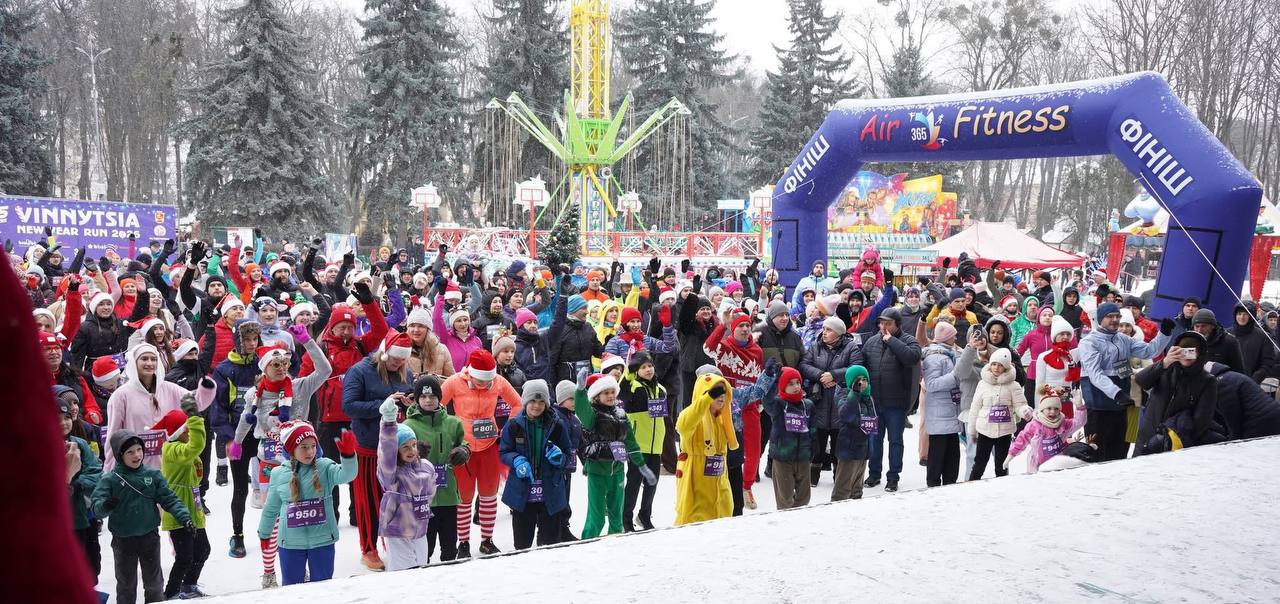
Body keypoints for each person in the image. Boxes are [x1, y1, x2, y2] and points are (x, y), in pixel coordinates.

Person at [341, 330, 416, 570]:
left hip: (397, 447)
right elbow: (349, 406)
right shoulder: (360, 371)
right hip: (369, 446)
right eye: (395, 360)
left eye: (403, 360)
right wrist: (383, 405)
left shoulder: (406, 371)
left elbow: (407, 398)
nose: (399, 364)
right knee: (369, 502)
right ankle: (368, 548)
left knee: (397, 499)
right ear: (384, 354)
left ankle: (397, 543)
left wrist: (409, 402)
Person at [93, 430, 195, 604]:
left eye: (139, 449)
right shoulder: (110, 480)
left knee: (154, 584)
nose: (137, 455)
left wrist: (184, 517)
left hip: (149, 538)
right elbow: (97, 507)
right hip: (123, 541)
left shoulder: (152, 475)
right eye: (130, 452)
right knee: (126, 585)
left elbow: (169, 498)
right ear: (120, 455)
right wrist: (105, 505)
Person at [441, 349, 522, 557]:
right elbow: (437, 408)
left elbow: (517, 404)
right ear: (470, 373)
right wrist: (449, 431)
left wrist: (507, 430)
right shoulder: (454, 382)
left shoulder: (499, 381)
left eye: (488, 381)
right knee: (464, 498)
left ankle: (487, 540)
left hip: (489, 447)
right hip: (463, 449)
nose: (485, 385)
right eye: (480, 381)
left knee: (488, 496)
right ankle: (464, 543)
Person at [258, 422, 359, 586]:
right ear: (291, 449)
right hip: (290, 544)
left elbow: (347, 475)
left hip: (323, 540)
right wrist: (264, 534)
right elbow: (271, 509)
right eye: (304, 447)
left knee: (323, 586)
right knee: (292, 587)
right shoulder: (278, 474)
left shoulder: (325, 467)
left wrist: (348, 457)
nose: (310, 451)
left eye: (313, 446)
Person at [1079, 302, 1172, 461]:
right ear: (1101, 319)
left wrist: (1164, 333)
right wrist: (1117, 393)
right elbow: (1095, 374)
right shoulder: (1089, 342)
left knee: (1119, 450)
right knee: (1097, 451)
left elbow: (1149, 351)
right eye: (1110, 316)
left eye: (1117, 316)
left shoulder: (1123, 339)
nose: (1115, 320)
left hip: (1121, 405)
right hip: (1098, 405)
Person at [401, 374, 470, 563]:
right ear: (416, 399)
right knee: (425, 547)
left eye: (432, 396)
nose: (428, 401)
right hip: (423, 497)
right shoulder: (408, 426)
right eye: (423, 397)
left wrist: (463, 450)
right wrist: (414, 453)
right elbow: (397, 457)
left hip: (447, 494)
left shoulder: (453, 423)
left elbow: (463, 442)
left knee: (449, 545)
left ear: (440, 398)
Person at [575, 372, 653, 536]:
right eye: (606, 393)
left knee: (616, 516)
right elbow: (582, 411)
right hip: (597, 472)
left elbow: (631, 442)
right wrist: (581, 391)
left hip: (617, 471)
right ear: (597, 396)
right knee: (597, 518)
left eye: (612, 392)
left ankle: (616, 545)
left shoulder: (621, 414)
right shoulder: (593, 415)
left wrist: (641, 465)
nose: (610, 396)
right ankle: (587, 545)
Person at [499, 380, 572, 549]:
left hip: (550, 492)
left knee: (549, 546)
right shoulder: (513, 425)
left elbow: (568, 455)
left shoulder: (557, 425)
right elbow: (504, 452)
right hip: (523, 492)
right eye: (532, 401)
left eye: (541, 402)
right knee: (522, 545)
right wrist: (516, 460)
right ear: (525, 401)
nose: (536, 406)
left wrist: (559, 458)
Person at [702, 311, 764, 508]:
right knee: (729, 446)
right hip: (727, 404)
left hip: (750, 405)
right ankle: (725, 484)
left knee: (754, 449)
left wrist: (759, 400)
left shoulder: (757, 351)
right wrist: (723, 325)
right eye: (740, 326)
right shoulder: (724, 347)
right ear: (733, 329)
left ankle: (747, 486)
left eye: (748, 326)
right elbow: (707, 348)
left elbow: (759, 376)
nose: (745, 329)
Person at [860, 308, 921, 492]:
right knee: (875, 440)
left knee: (895, 441)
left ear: (897, 325)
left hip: (896, 402)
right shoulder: (871, 342)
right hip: (875, 401)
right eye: (881, 323)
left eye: (888, 323)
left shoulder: (908, 340)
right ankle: (874, 474)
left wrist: (892, 341)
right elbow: (862, 363)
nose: (883, 327)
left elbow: (913, 357)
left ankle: (893, 476)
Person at [152, 408, 210, 599]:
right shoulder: (171, 449)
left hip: (194, 507)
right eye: (188, 430)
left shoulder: (183, 446)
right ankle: (170, 593)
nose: (190, 434)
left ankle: (189, 586)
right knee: (185, 556)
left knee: (202, 550)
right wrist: (196, 421)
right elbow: (195, 447)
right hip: (178, 510)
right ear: (180, 431)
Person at [375, 395, 437, 571]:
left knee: (421, 568)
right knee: (403, 573)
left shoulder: (425, 467)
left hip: (420, 529)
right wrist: (388, 421)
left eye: (414, 445)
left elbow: (431, 492)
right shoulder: (391, 473)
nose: (411, 450)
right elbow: (387, 449)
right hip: (398, 531)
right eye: (405, 447)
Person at [1133, 331, 1220, 455]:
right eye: (1182, 351)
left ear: (1200, 354)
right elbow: (1141, 380)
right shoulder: (1166, 369)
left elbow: (1202, 420)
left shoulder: (1207, 381)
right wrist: (1164, 362)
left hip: (1176, 442)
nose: (1186, 356)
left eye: (1191, 351)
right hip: (1148, 436)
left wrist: (1174, 438)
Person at [799, 315, 860, 487]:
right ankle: (813, 476)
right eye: (824, 329)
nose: (824, 333)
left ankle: (838, 478)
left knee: (838, 446)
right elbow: (804, 365)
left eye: (828, 330)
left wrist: (834, 375)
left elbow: (856, 368)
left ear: (839, 333)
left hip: (840, 403)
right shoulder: (815, 347)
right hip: (819, 402)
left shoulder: (851, 348)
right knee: (816, 444)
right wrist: (820, 376)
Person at [673, 372, 737, 525]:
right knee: (695, 519)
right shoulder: (693, 418)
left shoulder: (722, 420)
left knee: (723, 515)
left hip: (719, 478)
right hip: (696, 478)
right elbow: (682, 425)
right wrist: (707, 398)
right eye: (716, 392)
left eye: (723, 392)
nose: (721, 396)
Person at [619, 351, 668, 531]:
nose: (648, 369)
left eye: (650, 366)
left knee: (652, 482)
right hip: (638, 444)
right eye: (643, 367)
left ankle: (645, 515)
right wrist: (629, 372)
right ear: (636, 370)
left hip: (656, 444)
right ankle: (626, 518)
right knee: (633, 483)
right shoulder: (632, 386)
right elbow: (621, 393)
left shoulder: (661, 389)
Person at [966, 348, 1032, 480]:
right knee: (979, 462)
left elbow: (1020, 404)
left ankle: (1003, 488)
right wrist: (972, 430)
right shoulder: (982, 384)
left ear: (1006, 367)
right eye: (994, 364)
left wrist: (1024, 410)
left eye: (1001, 365)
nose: (996, 367)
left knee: (1002, 464)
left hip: (1005, 431)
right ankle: (971, 486)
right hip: (985, 429)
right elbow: (975, 407)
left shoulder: (1014, 385)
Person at [59, 390, 103, 584]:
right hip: (60, 521)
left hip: (84, 516)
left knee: (91, 564)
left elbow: (95, 472)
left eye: (67, 417)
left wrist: (77, 484)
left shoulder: (80, 444)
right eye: (57, 418)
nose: (64, 423)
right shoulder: (41, 447)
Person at [762, 363, 815, 508]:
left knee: (804, 498)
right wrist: (774, 381)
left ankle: (798, 522)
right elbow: (767, 400)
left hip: (803, 457)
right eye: (791, 384)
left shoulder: (808, 405)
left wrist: (814, 449)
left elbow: (813, 429)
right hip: (782, 458)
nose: (796, 386)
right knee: (785, 498)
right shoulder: (778, 405)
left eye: (798, 382)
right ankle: (785, 524)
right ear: (782, 386)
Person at [1005, 386, 1087, 474]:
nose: (1052, 412)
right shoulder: (1034, 425)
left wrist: (1079, 407)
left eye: (1056, 409)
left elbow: (1079, 422)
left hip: (1057, 465)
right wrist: (1011, 455)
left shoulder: (1062, 423)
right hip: (1037, 467)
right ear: (1042, 409)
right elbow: (1021, 440)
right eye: (1049, 408)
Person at [920, 322, 963, 487]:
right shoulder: (934, 357)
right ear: (946, 337)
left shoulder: (949, 353)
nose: (956, 337)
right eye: (953, 335)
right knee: (938, 453)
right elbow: (930, 384)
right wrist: (955, 376)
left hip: (949, 411)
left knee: (952, 453)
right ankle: (934, 484)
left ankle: (950, 483)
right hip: (940, 412)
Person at [1205, 362, 1280, 440]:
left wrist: (1234, 439)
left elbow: (1232, 414)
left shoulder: (1222, 383)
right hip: (1268, 416)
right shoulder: (1229, 376)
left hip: (1261, 421)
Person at [832, 366, 873, 500]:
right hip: (848, 449)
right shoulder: (843, 394)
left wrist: (866, 396)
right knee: (842, 490)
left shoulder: (868, 397)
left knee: (857, 489)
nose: (862, 383)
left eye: (865, 379)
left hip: (863, 448)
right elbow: (845, 415)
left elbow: (872, 419)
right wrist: (854, 393)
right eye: (858, 380)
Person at [1228, 301, 1276, 383]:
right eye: (1239, 314)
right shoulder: (1227, 334)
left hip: (1250, 385)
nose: (1242, 317)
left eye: (1245, 314)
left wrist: (1255, 379)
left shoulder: (1262, 336)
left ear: (1251, 315)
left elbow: (1268, 362)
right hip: (1227, 383)